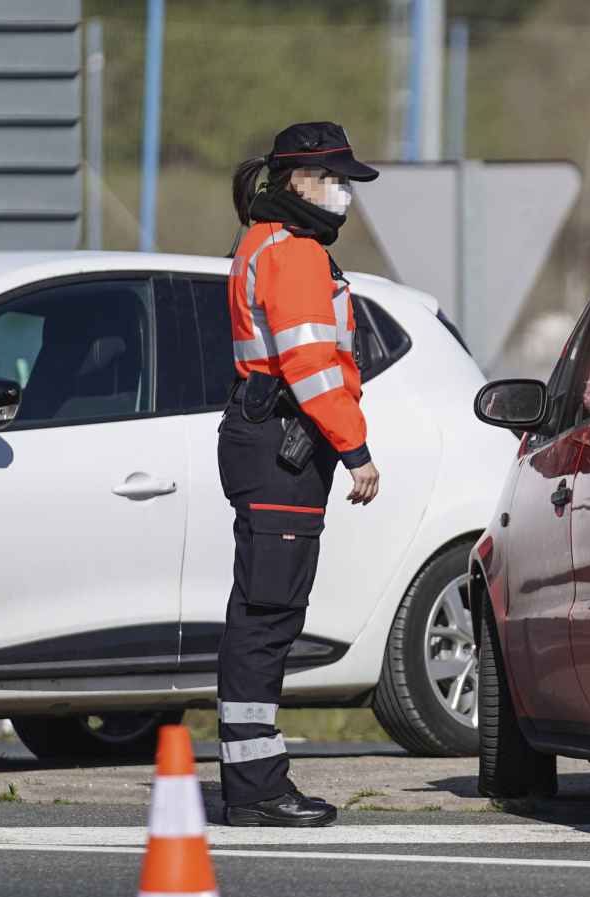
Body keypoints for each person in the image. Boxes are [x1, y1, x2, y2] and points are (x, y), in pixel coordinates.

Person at [216, 121, 381, 827]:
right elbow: (311, 364)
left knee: (261, 611)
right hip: (284, 444)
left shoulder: (262, 242)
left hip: (264, 442)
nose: (344, 194)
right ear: (298, 181)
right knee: (267, 618)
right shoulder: (295, 254)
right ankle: (256, 789)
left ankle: (252, 779)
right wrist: (356, 449)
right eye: (335, 180)